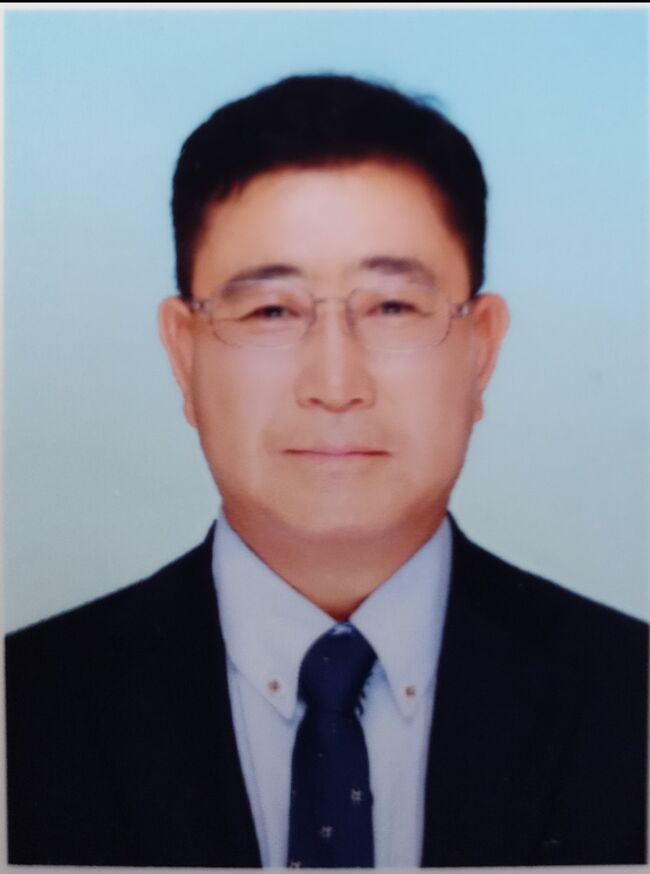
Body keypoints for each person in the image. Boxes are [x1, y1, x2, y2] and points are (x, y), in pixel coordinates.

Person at [5, 74, 647, 868]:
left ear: (481, 349)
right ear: (183, 353)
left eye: (392, 307)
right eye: (271, 311)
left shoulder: (632, 696)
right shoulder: (23, 707)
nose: (335, 384)